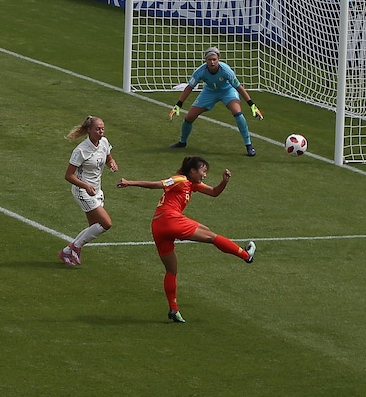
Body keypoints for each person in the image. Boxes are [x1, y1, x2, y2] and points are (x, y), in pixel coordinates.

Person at [116, 156, 255, 323]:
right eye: (203, 171)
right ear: (193, 171)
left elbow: (214, 192)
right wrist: (130, 182)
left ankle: (173, 310)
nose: (205, 175)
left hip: (158, 226)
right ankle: (246, 256)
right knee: (211, 236)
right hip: (170, 219)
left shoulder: (192, 184)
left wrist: (224, 181)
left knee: (172, 270)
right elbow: (157, 184)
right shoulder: (180, 180)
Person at [168, 46, 263, 157]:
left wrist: (252, 105)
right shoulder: (200, 71)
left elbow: (239, 87)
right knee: (189, 117)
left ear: (219, 59)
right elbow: (189, 87)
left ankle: (249, 145)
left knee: (238, 113)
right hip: (209, 92)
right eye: (209, 60)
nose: (212, 62)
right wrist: (179, 104)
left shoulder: (226, 71)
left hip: (227, 91)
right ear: (205, 60)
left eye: (214, 59)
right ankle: (182, 142)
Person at [58, 116, 118, 266]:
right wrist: (85, 186)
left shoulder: (104, 142)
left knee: (94, 226)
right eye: (98, 129)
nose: (101, 131)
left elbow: (109, 158)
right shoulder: (81, 150)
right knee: (106, 223)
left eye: (102, 128)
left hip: (96, 190)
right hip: (82, 191)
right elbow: (68, 175)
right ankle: (75, 247)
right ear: (89, 130)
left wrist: (112, 164)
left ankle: (66, 252)